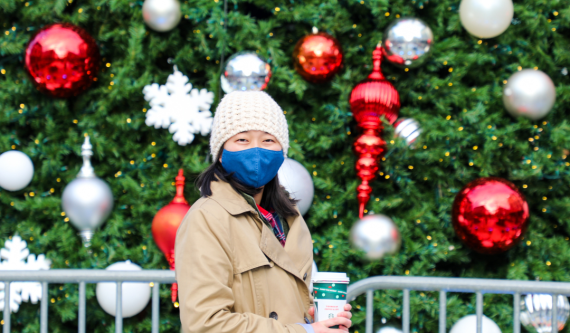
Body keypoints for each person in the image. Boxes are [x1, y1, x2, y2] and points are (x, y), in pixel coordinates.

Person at [175, 91, 352, 333]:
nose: (256, 150)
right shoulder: (206, 218)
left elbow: (294, 303)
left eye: (268, 140)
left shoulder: (289, 218)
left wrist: (320, 320)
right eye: (242, 140)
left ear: (282, 150)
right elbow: (205, 323)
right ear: (220, 152)